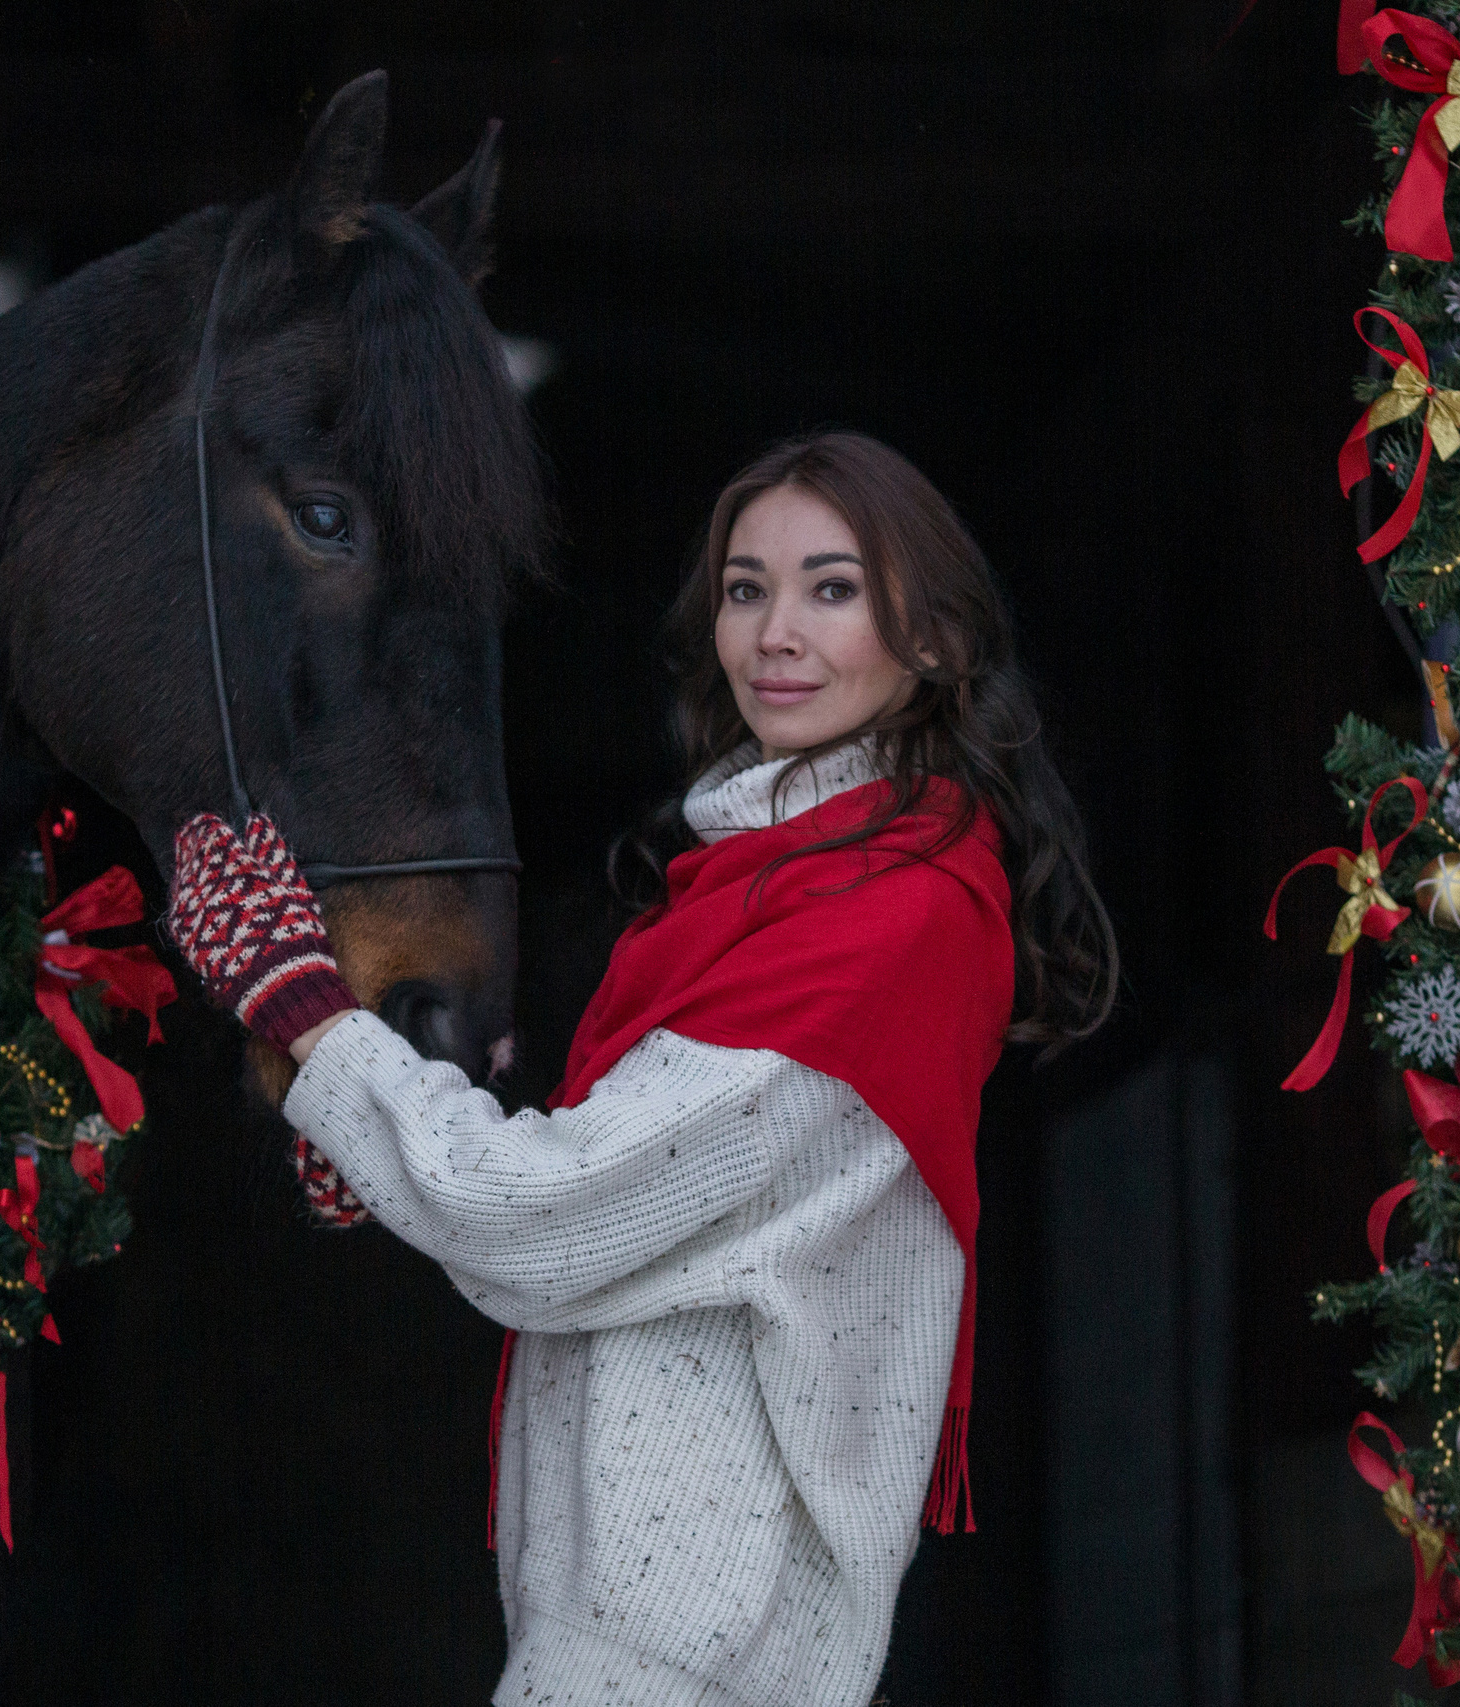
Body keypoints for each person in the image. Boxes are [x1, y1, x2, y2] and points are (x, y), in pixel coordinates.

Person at [164, 430, 1116, 1707]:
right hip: (642, 1646)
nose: (776, 631)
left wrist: (302, 1007)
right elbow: (618, 1206)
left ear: (934, 639)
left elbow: (540, 1220)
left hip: (689, 1656)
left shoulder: (885, 922)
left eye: (833, 589)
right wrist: (382, 1120)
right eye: (745, 589)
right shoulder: (758, 888)